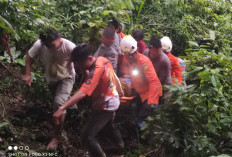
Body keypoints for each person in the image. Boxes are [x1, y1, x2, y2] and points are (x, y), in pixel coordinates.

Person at [54, 44, 124, 157]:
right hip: (112, 99)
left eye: (80, 63)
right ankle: (119, 145)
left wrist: (62, 108)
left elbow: (83, 92)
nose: (78, 66)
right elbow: (90, 78)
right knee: (108, 125)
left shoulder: (96, 71)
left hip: (105, 105)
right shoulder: (102, 59)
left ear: (90, 58)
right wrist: (82, 66)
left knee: (87, 137)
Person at [23, 28, 76, 149]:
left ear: (59, 38)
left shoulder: (69, 47)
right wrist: (27, 74)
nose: (49, 47)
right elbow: (29, 58)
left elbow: (82, 61)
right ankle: (72, 104)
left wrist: (88, 79)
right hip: (51, 80)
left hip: (67, 78)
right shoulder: (40, 45)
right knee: (60, 101)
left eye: (51, 44)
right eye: (46, 45)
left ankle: (56, 138)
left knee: (58, 104)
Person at [120, 35, 162, 128]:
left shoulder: (144, 62)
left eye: (126, 54)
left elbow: (153, 82)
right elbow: (127, 75)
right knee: (136, 116)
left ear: (131, 53)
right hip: (139, 91)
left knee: (143, 119)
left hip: (150, 93)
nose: (125, 57)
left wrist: (151, 102)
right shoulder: (128, 60)